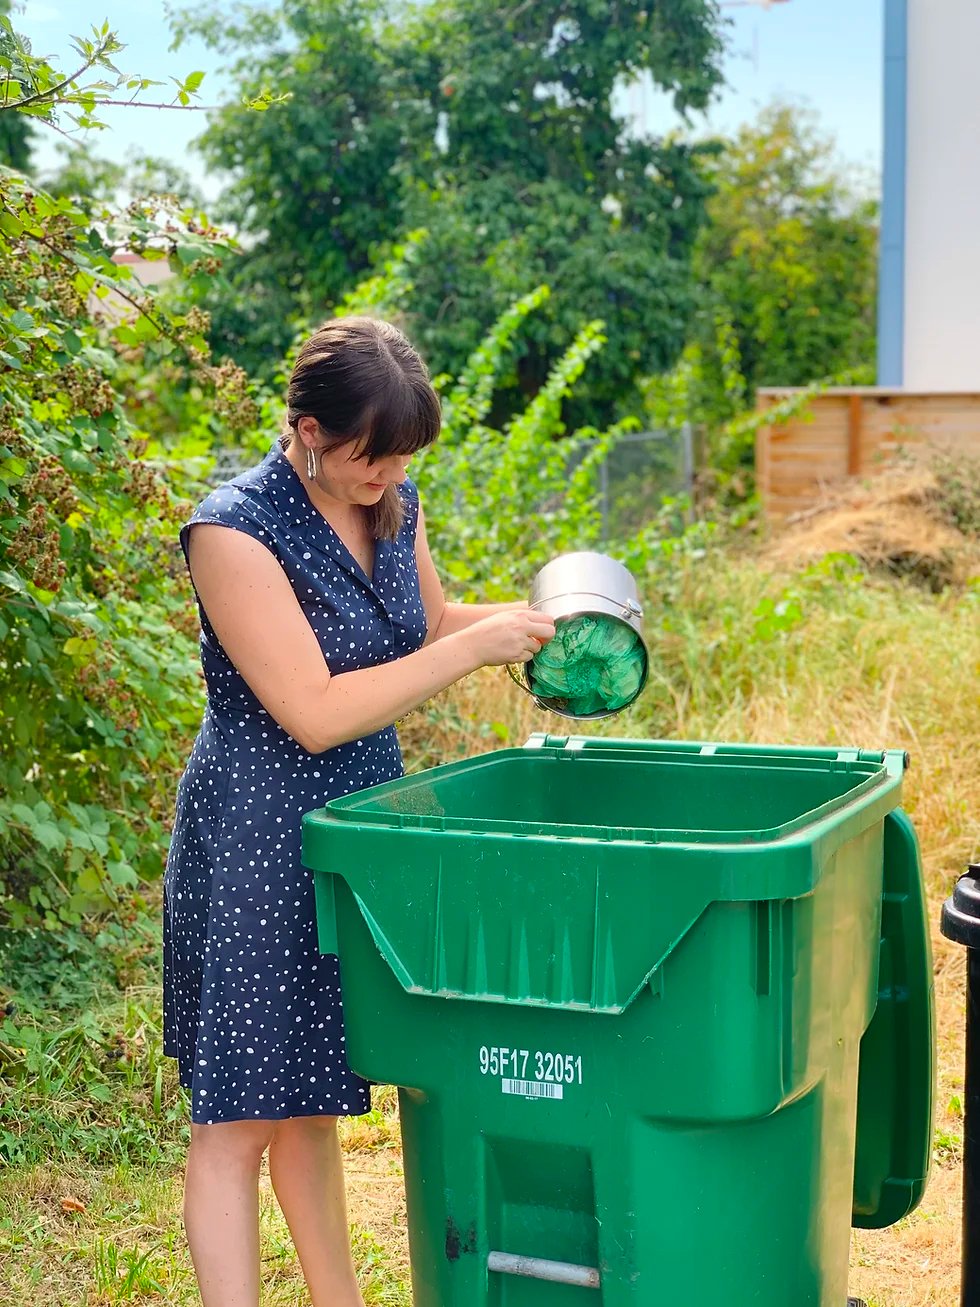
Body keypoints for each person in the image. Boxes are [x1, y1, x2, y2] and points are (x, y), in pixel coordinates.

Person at [162, 316, 555, 1307]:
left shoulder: (391, 500)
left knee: (314, 1104)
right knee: (237, 1119)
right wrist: (465, 652)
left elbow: (424, 624)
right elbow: (314, 710)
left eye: (402, 458)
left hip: (357, 830)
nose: (387, 475)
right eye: (369, 456)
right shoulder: (232, 529)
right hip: (257, 831)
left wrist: (533, 621)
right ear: (304, 428)